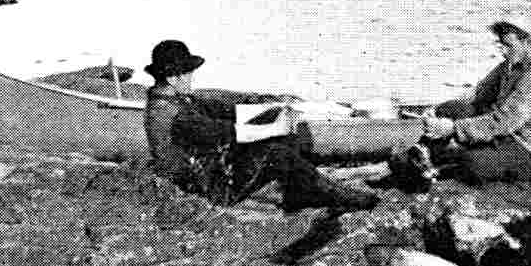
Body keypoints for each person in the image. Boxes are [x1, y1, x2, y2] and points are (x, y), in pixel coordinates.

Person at [142, 39, 379, 213]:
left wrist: (272, 107)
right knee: (277, 152)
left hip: (208, 173)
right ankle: (329, 194)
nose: (191, 78)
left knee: (275, 129)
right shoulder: (173, 114)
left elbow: (228, 110)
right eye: (188, 74)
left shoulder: (174, 102)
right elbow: (227, 133)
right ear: (173, 78)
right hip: (210, 188)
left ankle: (298, 190)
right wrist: (276, 128)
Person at [420, 14, 531, 183]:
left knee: (471, 162)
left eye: (509, 46)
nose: (503, 51)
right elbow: (477, 93)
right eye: (502, 45)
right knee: (450, 109)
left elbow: (504, 121)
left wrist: (453, 128)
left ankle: (438, 163)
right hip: (505, 136)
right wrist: (435, 110)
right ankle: (426, 153)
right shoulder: (510, 64)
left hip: (529, 151)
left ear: (528, 43)